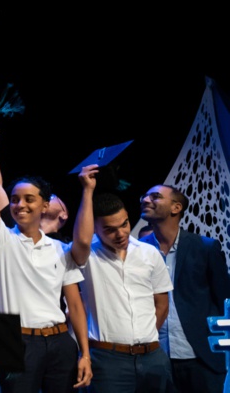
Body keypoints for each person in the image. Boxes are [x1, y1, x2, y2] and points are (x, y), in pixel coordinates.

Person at [0, 107, 92, 392]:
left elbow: (74, 305)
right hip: (15, 338)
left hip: (60, 340)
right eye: (14, 199)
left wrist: (84, 353)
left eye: (29, 199)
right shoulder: (2, 239)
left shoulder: (60, 249)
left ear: (45, 206)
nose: (20, 205)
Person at [72, 166, 175, 392]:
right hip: (108, 359)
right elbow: (80, 240)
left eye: (124, 224)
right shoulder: (87, 256)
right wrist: (88, 191)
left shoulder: (149, 254)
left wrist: (144, 336)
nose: (121, 234)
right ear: (95, 229)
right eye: (109, 230)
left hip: (153, 357)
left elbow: (162, 303)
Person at [139, 183, 230, 392]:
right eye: (145, 196)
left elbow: (224, 299)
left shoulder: (205, 247)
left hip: (202, 357)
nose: (145, 200)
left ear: (176, 208)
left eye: (155, 197)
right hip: (156, 357)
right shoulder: (139, 250)